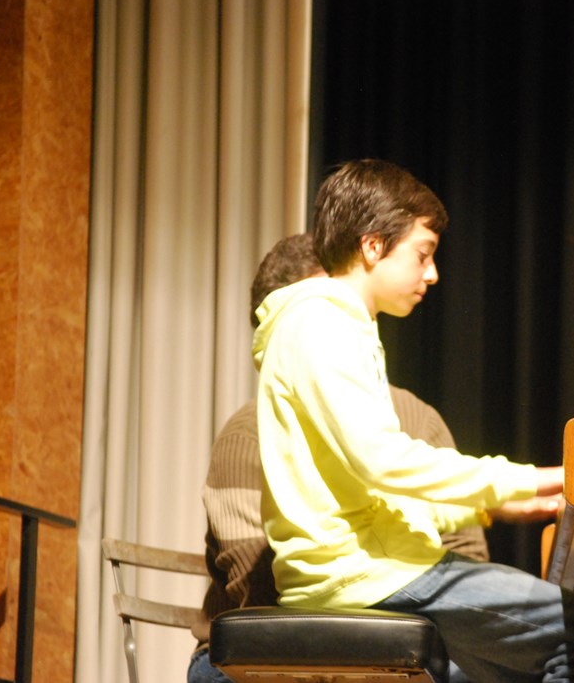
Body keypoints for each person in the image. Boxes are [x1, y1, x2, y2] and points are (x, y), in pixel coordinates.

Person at [252, 159, 574, 681]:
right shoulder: (321, 324)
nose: (433, 273)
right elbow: (384, 463)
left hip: (370, 568)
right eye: (423, 254)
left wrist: (486, 508)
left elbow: (364, 493)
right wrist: (534, 477)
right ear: (372, 246)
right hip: (365, 576)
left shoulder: (333, 324)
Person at [187, 233, 491, 683]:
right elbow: (255, 587)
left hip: (402, 646)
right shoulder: (245, 436)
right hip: (271, 650)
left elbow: (467, 552)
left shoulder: (417, 420)